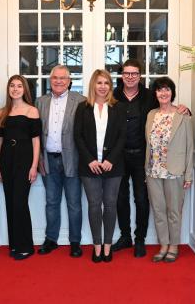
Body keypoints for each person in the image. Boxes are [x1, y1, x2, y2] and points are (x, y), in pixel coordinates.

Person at [112, 59, 190, 257]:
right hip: (119, 156)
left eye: (134, 73)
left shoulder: (149, 96)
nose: (130, 77)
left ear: (140, 76)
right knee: (120, 199)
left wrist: (186, 109)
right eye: (127, 73)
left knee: (142, 200)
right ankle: (125, 237)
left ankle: (140, 239)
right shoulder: (112, 96)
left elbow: (173, 112)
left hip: (142, 157)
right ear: (122, 75)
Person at [74, 69, 126, 263]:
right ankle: (96, 246)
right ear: (93, 85)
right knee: (95, 206)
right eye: (99, 83)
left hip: (114, 166)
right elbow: (77, 136)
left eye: (106, 83)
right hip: (90, 166)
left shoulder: (118, 108)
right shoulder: (83, 108)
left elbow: (123, 136)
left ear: (110, 86)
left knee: (110, 205)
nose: (102, 86)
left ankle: (107, 246)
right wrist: (90, 160)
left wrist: (110, 159)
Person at [36, 65, 86, 257]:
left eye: (62, 78)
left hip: (72, 160)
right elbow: (35, 133)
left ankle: (75, 242)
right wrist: (38, 158)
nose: (58, 81)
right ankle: (51, 239)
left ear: (69, 81)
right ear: (50, 80)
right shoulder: (40, 102)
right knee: (51, 202)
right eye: (55, 78)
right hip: (48, 159)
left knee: (74, 203)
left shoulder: (81, 101)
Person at [145, 77, 193, 263]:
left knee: (174, 211)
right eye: (159, 90)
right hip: (153, 170)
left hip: (175, 171)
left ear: (172, 92)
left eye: (167, 89)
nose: (163, 93)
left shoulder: (183, 115)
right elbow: (148, 144)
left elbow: (189, 147)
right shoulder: (151, 115)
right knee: (158, 210)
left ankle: (174, 245)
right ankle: (163, 244)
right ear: (155, 94)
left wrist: (188, 174)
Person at [0, 75, 41, 260]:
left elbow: (36, 141)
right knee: (10, 202)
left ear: (25, 89)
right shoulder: (1, 113)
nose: (15, 89)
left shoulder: (32, 111)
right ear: (8, 89)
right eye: (12, 86)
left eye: (19, 86)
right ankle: (14, 244)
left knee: (20, 203)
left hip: (24, 160)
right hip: (6, 160)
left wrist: (34, 166)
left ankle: (26, 246)